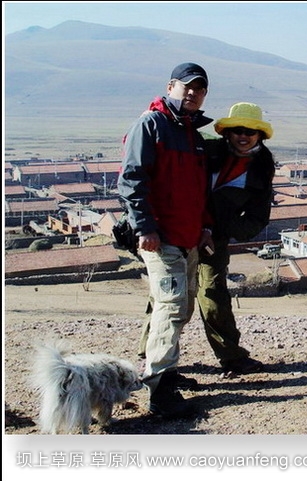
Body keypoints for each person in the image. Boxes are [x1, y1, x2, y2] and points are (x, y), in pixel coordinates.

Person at [117, 62, 214, 417]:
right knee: (172, 307)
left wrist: (204, 227)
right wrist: (144, 228)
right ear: (171, 86)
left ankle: (163, 369)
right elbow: (131, 180)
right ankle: (161, 390)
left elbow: (198, 191)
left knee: (182, 306)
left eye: (200, 88)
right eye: (187, 86)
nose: (193, 92)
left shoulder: (193, 134)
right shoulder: (151, 125)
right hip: (161, 238)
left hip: (187, 238)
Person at [197, 102, 276, 374]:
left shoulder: (262, 169)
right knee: (168, 297)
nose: (244, 136)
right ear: (227, 133)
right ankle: (155, 364)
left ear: (260, 136)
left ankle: (232, 357)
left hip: (213, 241)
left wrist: (220, 230)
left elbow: (257, 217)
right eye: (238, 130)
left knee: (213, 295)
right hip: (178, 230)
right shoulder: (204, 150)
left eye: (251, 132)